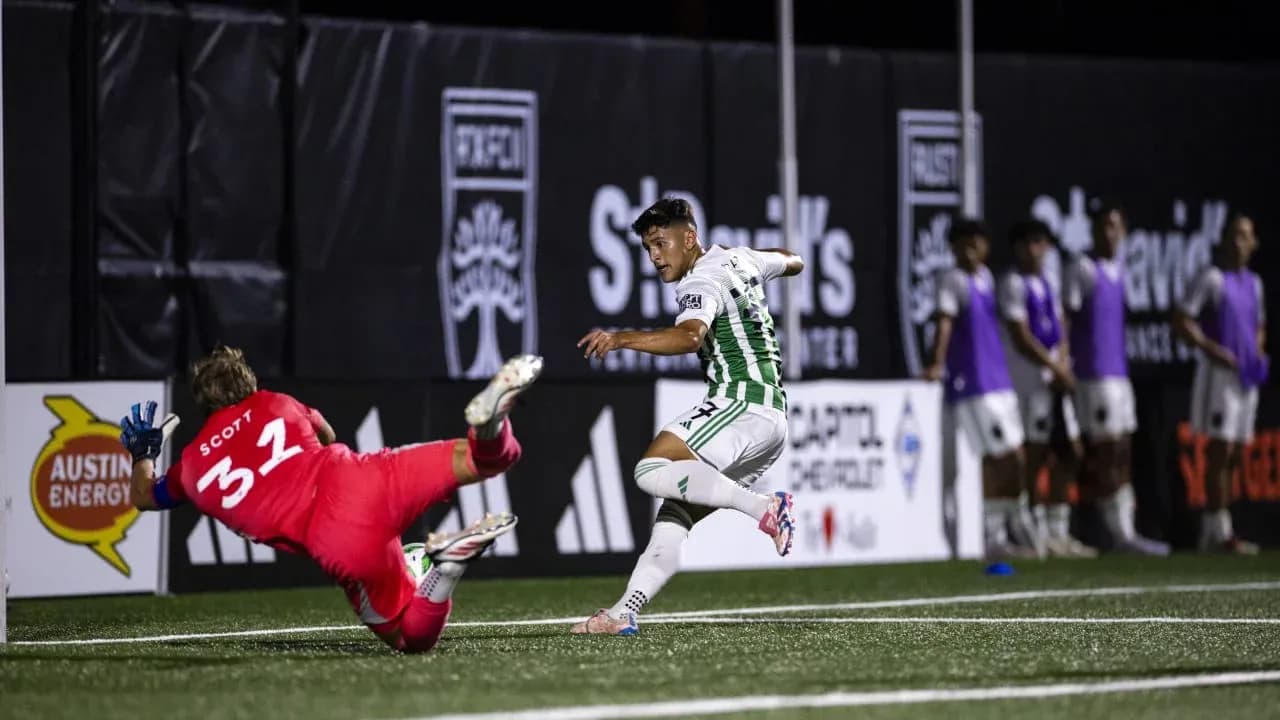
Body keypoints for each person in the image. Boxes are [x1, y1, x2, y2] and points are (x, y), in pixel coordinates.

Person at [120, 345, 542, 653]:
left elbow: (143, 496)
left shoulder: (191, 469)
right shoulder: (277, 404)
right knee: (480, 460)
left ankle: (447, 568)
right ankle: (490, 426)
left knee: (409, 637)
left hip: (334, 535)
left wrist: (144, 454)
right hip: (363, 476)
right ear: (249, 383)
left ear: (202, 404)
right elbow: (328, 437)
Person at [570, 197, 802, 635]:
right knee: (675, 515)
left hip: (740, 403)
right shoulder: (741, 258)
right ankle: (624, 612)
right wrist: (767, 264)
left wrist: (620, 340)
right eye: (647, 248)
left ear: (689, 238)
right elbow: (794, 260)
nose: (655, 256)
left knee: (650, 468)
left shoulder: (700, 281)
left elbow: (689, 337)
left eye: (661, 243)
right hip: (773, 420)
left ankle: (764, 506)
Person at [922, 217, 1042, 560]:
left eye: (976, 240)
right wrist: (937, 363)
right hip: (974, 384)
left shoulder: (989, 279)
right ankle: (992, 535)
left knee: (1015, 457)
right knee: (998, 458)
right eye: (962, 241)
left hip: (999, 381)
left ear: (987, 246)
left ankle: (1009, 525)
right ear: (953, 248)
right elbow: (944, 325)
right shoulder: (952, 280)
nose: (970, 246)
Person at [1062, 204, 1167, 555]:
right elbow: (1066, 317)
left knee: (1122, 449)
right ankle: (1109, 530)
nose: (1110, 233)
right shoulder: (1082, 268)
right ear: (1093, 231)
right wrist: (1064, 361)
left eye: (1116, 227)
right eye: (1104, 226)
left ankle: (1125, 528)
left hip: (1119, 374)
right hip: (1093, 375)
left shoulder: (1119, 270)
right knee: (1104, 450)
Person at [997, 220, 1096, 557]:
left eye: (1042, 243)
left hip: (1055, 381)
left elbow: (1061, 329)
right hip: (1029, 383)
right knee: (1034, 455)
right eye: (1030, 243)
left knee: (1072, 451)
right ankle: (1029, 525)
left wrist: (1063, 364)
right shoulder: (1012, 283)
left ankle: (1057, 529)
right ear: (1018, 247)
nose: (1037, 250)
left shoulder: (1048, 282)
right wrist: (1053, 367)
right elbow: (1021, 336)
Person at [1171, 212, 1267, 554]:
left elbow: (1258, 325)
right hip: (1219, 376)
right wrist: (1214, 350)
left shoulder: (1255, 284)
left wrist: (1257, 353)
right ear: (1224, 240)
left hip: (1246, 379)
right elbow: (1182, 320)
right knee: (1219, 450)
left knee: (1236, 454)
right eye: (1234, 235)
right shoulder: (1211, 278)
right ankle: (1214, 532)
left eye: (1246, 235)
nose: (1240, 242)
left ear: (1254, 244)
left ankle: (1222, 527)